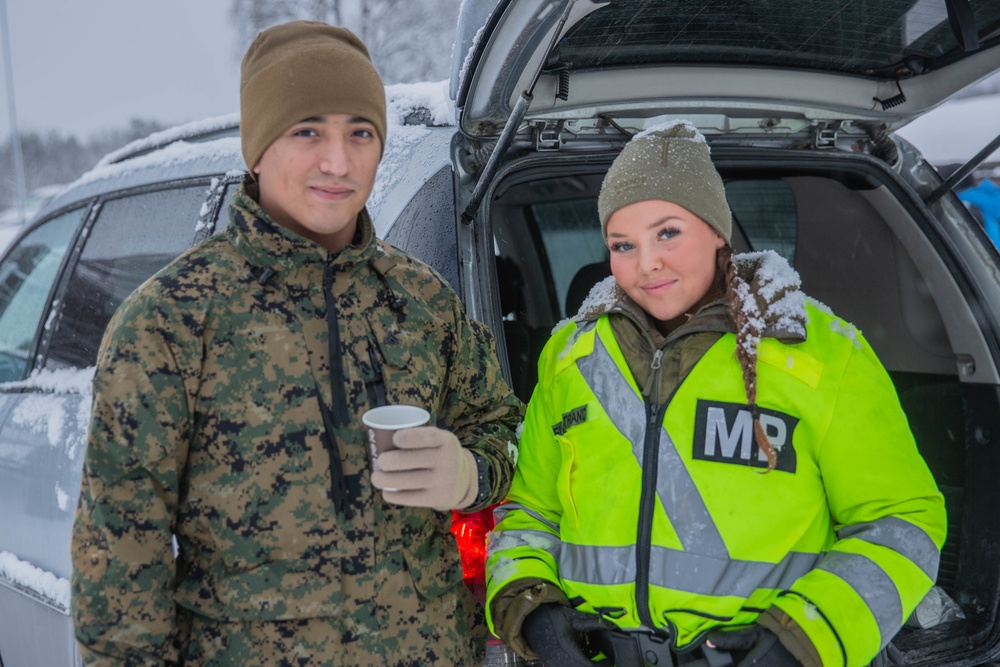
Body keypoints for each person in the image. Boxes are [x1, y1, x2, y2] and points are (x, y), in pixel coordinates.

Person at [71, 20, 523, 666]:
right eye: (308, 130)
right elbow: (120, 578)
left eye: (360, 133)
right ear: (257, 147)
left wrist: (471, 470)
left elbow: (506, 429)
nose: (338, 162)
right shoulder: (169, 324)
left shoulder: (421, 305)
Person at [485, 121, 946, 667]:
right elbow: (529, 512)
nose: (647, 263)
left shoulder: (822, 354)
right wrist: (534, 612)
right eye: (622, 244)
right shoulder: (570, 357)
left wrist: (801, 641)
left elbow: (902, 523)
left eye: (668, 233)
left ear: (717, 231)